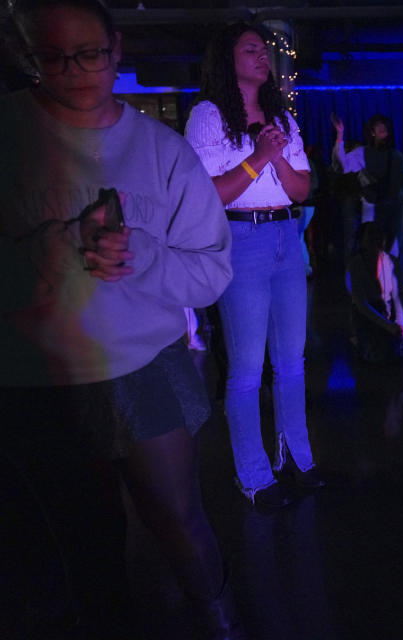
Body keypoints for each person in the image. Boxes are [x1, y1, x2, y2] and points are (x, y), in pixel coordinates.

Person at [0, 0, 240, 635]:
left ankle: (218, 620)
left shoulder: (161, 151)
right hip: (37, 378)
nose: (75, 70)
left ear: (117, 48)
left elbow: (212, 272)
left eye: (90, 53)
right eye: (52, 57)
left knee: (177, 516)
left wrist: (145, 254)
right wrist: (56, 247)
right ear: (26, 57)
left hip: (146, 365)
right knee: (76, 537)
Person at [186, 22, 323, 509]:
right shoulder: (207, 115)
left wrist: (278, 162)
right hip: (240, 237)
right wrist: (259, 157)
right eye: (251, 49)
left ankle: (298, 458)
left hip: (287, 232)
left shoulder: (281, 117)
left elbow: (303, 189)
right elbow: (209, 194)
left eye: (265, 50)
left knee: (292, 361)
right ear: (228, 59)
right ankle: (254, 475)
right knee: (246, 368)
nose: (263, 56)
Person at [331, 112, 403, 282]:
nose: (383, 129)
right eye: (379, 126)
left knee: (393, 245)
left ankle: (393, 281)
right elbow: (342, 165)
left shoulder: (396, 155)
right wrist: (340, 136)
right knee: (372, 244)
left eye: (385, 127)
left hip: (393, 207)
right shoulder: (363, 153)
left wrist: (397, 192)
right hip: (373, 206)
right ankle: (372, 282)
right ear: (372, 131)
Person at [345, 222, 403, 362]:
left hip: (390, 312)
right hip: (368, 316)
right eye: (371, 236)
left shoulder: (392, 261)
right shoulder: (355, 265)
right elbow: (362, 304)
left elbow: (398, 296)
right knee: (379, 355)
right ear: (362, 240)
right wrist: (388, 326)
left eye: (379, 235)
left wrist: (399, 323)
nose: (376, 239)